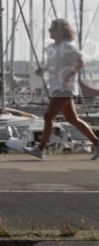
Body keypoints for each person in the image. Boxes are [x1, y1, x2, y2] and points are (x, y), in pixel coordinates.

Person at [23, 18, 99, 160]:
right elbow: (52, 64)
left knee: (48, 116)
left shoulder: (68, 47)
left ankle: (40, 149)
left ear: (60, 31)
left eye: (52, 29)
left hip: (66, 88)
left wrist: (69, 76)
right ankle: (97, 143)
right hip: (56, 87)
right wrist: (43, 70)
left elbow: (80, 63)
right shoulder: (52, 47)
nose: (49, 31)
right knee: (73, 119)